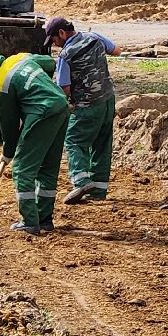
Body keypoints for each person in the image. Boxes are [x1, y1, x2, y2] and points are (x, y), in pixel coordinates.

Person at [0, 45, 68, 233]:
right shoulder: (20, 58)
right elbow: (48, 62)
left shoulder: (1, 86)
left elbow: (9, 123)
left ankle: (30, 221)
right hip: (61, 105)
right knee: (48, 166)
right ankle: (44, 218)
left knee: (22, 169)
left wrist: (8, 152)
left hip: (42, 112)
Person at [43, 16, 118, 204]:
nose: (55, 45)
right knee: (102, 143)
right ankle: (99, 191)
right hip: (108, 99)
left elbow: (64, 88)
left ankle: (81, 181)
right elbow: (116, 50)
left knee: (74, 140)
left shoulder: (66, 55)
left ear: (61, 33)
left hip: (86, 105)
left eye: (54, 39)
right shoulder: (95, 37)